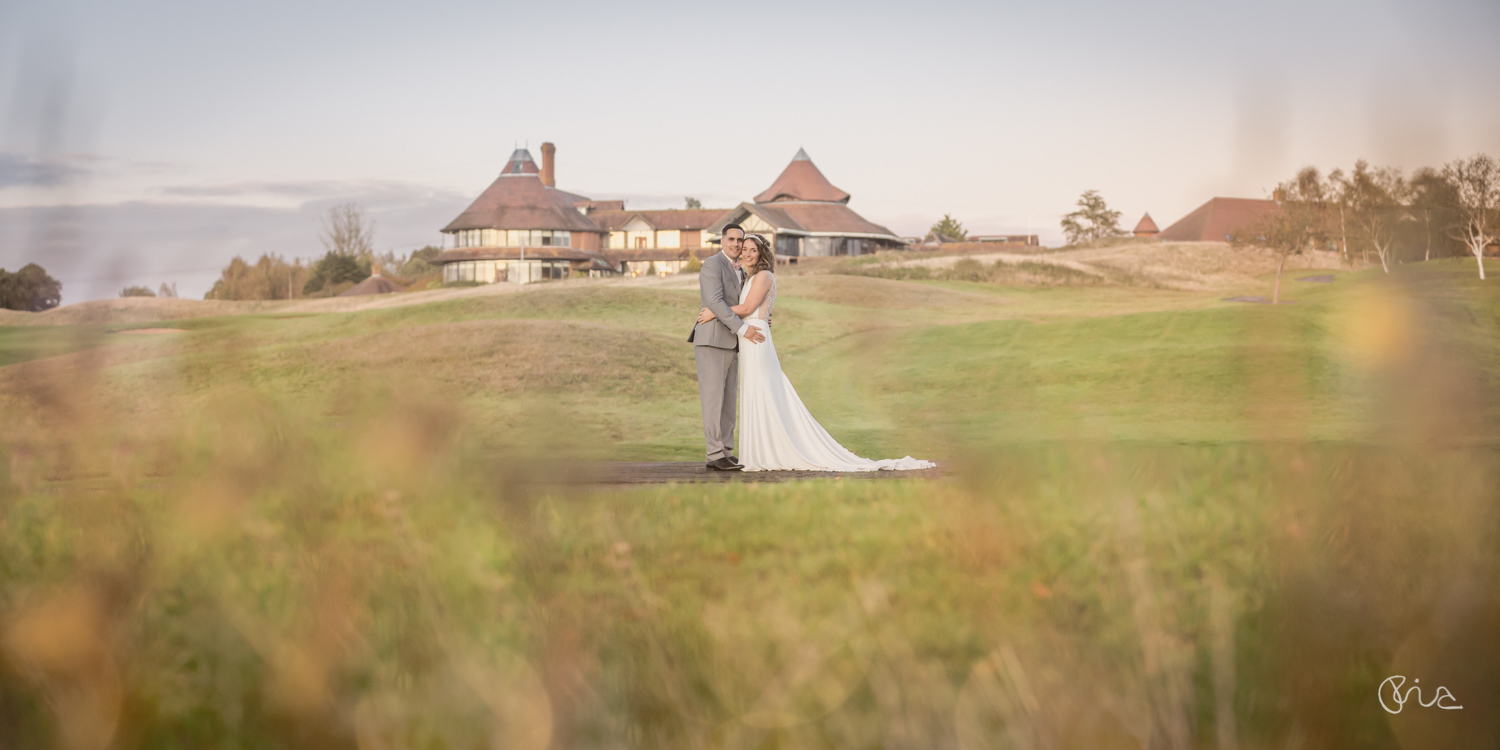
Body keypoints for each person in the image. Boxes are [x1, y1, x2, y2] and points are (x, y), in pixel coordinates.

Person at [695, 234, 934, 472]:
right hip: (749, 335)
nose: (746, 253)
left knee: (764, 390)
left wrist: (715, 312)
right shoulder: (749, 276)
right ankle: (757, 451)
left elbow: (747, 308)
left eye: (752, 250)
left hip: (754, 338)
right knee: (756, 391)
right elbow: (751, 308)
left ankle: (770, 451)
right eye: (744, 249)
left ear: (762, 254)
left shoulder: (764, 275)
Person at [688, 223, 764, 471]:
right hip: (712, 340)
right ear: (722, 242)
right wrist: (743, 328)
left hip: (732, 343)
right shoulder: (712, 264)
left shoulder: (740, 269)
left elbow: (744, 303)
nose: (736, 243)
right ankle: (713, 454)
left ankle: (726, 451)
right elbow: (714, 302)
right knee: (713, 399)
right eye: (731, 239)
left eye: (739, 240)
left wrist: (758, 319)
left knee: (728, 400)